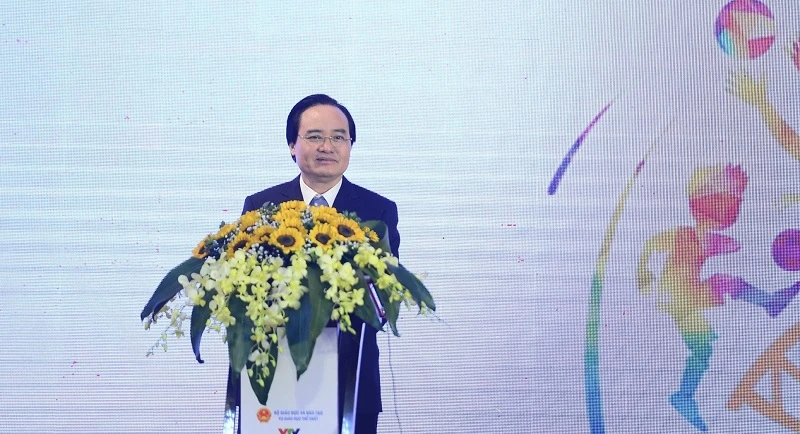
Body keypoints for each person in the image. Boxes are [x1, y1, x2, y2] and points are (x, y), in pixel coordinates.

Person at [240, 94, 399, 434]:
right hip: (276, 376)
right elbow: (246, 288)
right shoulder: (261, 206)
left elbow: (385, 291)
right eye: (314, 137)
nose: (327, 146)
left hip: (351, 379)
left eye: (339, 137)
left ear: (350, 145)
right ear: (292, 145)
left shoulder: (378, 210)